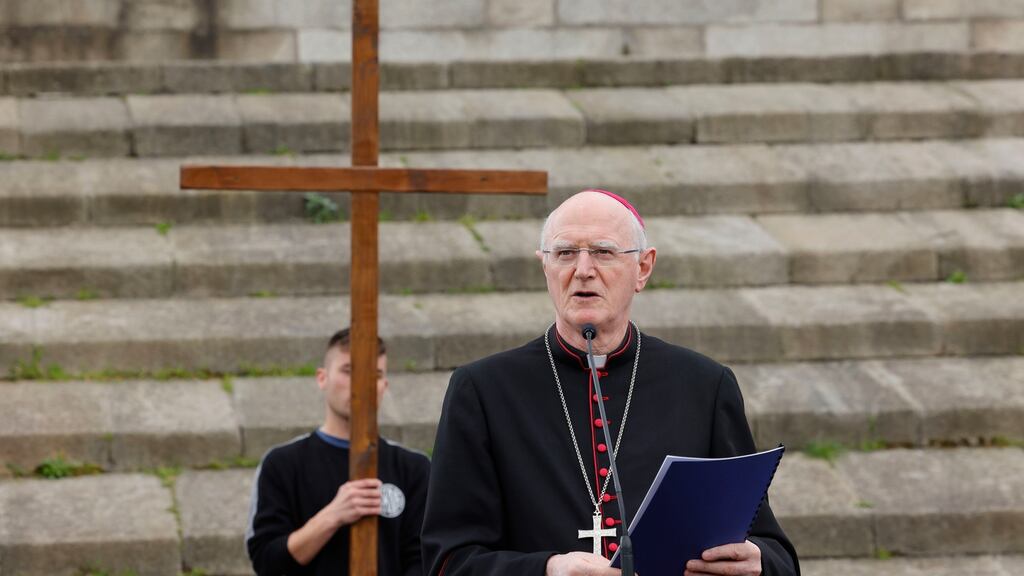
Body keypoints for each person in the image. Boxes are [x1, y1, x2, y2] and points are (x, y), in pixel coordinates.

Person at [422, 190, 798, 576]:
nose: (583, 269)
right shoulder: (483, 391)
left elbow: (775, 553)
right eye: (565, 253)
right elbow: (447, 560)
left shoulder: (704, 385)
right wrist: (547, 570)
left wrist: (759, 563)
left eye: (603, 252)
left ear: (643, 268)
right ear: (545, 267)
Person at [247, 328, 430, 576]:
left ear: (384, 386)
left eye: (374, 375)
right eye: (349, 371)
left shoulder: (414, 468)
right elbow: (268, 561)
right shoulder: (282, 464)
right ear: (322, 378)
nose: (362, 384)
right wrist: (333, 515)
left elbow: (424, 559)